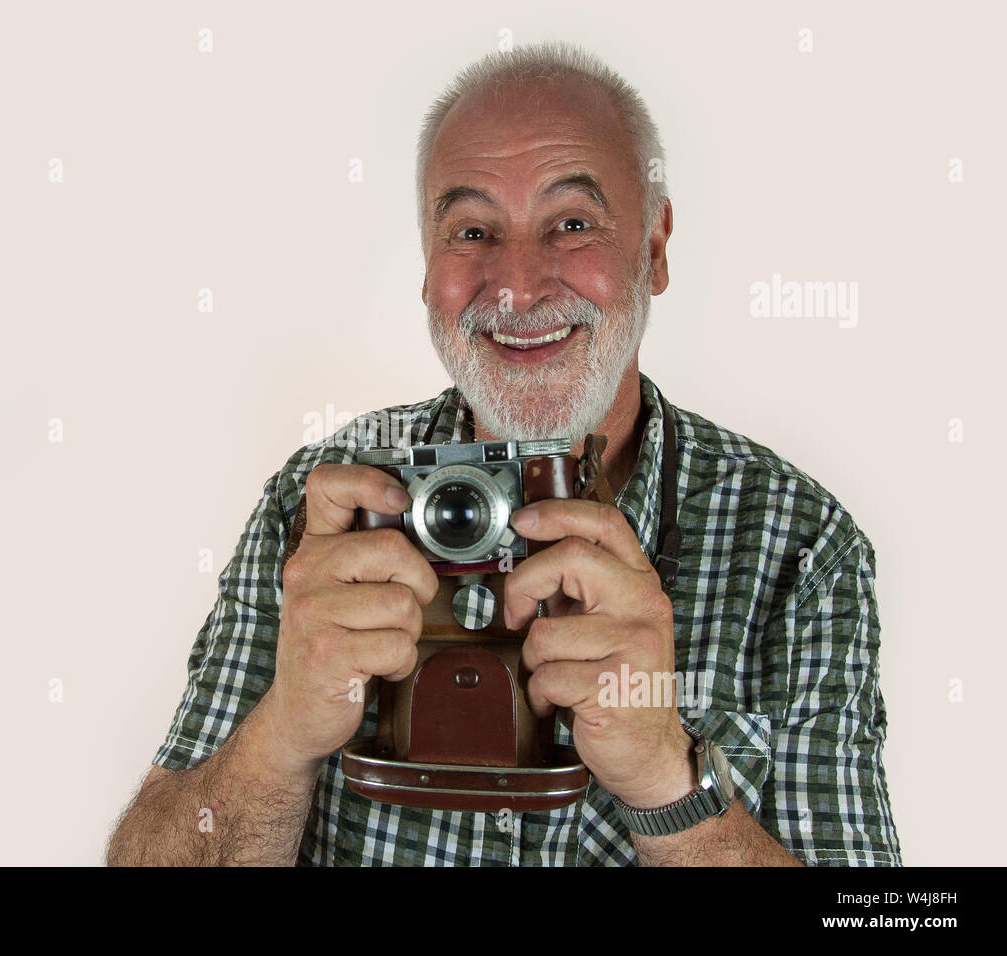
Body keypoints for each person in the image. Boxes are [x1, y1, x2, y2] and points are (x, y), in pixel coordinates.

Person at [106, 40, 901, 866]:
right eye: (474, 229)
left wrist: (670, 786)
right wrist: (281, 737)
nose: (518, 286)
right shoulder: (322, 506)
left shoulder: (798, 545)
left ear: (654, 249)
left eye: (572, 224)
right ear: (426, 268)